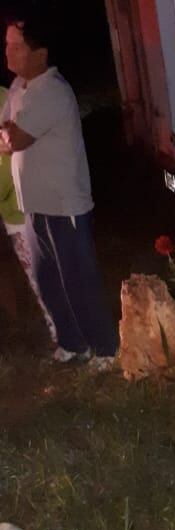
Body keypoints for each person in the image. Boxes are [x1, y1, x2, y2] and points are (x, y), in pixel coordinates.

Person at [0, 13, 117, 368]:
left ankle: (105, 349)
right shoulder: (19, 88)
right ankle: (72, 343)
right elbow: (7, 131)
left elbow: (15, 139)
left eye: (17, 47)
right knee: (48, 280)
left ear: (40, 53)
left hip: (64, 206)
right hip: (34, 205)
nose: (8, 53)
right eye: (7, 45)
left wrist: (9, 133)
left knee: (78, 279)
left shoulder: (51, 90)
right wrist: (8, 132)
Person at [0, 80, 56, 341]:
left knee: (45, 275)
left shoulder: (9, 101)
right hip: (14, 210)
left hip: (25, 206)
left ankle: (69, 337)